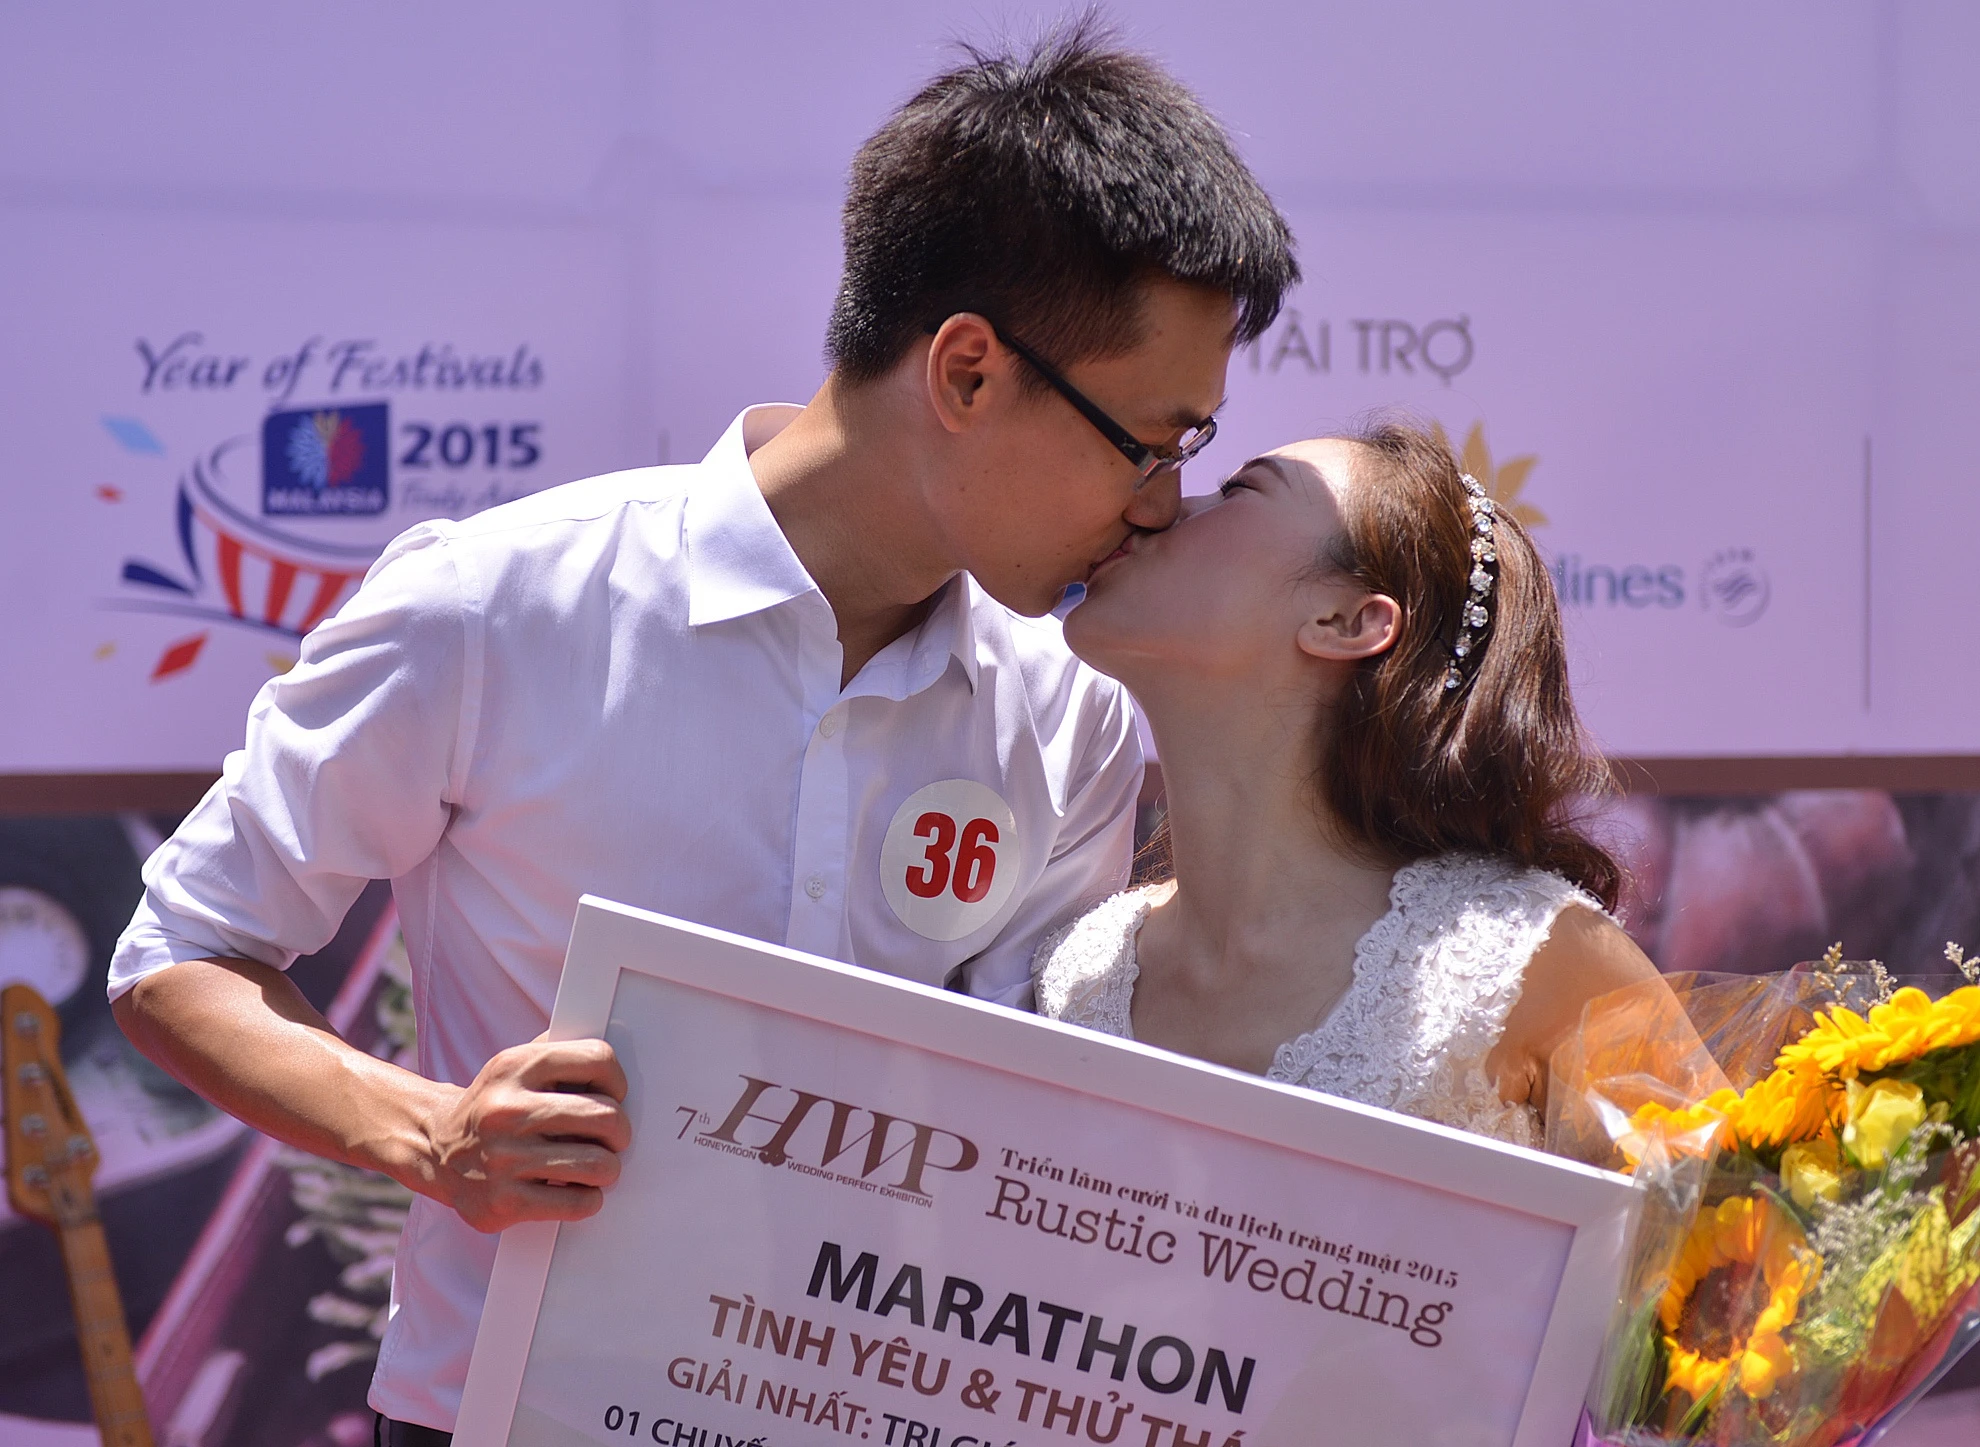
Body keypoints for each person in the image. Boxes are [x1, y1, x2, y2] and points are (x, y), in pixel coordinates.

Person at [106, 26, 1298, 1444]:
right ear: (969, 372)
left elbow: (1023, 1126)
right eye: (1151, 441)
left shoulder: (1072, 710)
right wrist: (428, 1132)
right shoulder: (497, 602)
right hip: (506, 1411)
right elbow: (182, 952)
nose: (1163, 503)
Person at [1034, 419, 1667, 1154]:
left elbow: (1732, 1218)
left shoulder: (1540, 958)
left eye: (1238, 490)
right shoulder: (1075, 972)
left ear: (1346, 620)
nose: (1161, 507)